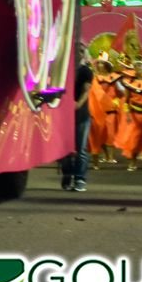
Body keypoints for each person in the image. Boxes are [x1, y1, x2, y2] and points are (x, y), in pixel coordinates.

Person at [61, 50, 94, 191]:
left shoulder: (85, 71)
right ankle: (67, 174)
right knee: (64, 148)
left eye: (81, 50)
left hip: (81, 115)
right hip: (64, 115)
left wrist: (78, 104)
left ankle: (80, 178)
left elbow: (86, 90)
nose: (77, 53)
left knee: (81, 149)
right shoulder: (63, 69)